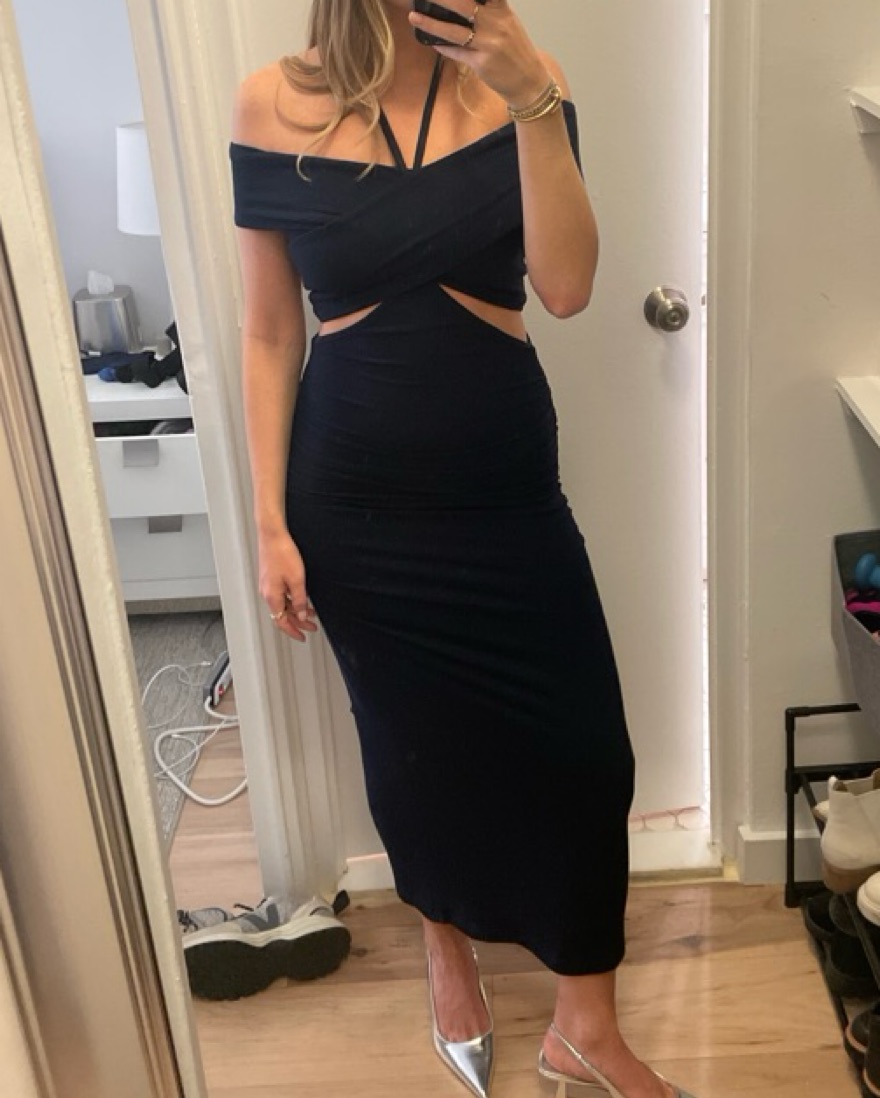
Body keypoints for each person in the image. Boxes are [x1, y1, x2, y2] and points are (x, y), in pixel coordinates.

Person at [229, 3, 696, 1097]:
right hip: (353, 505)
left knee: (585, 751)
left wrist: (533, 96)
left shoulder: (522, 80)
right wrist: (269, 523)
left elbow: (567, 289)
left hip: (505, 492)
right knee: (413, 752)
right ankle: (445, 951)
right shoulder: (271, 102)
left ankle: (585, 1026)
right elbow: (269, 329)